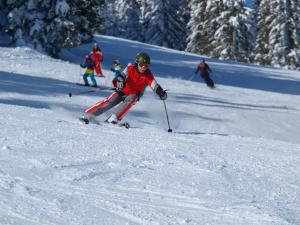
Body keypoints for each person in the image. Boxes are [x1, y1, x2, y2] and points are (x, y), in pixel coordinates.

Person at [79, 52, 167, 125]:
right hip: (123, 90)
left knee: (131, 100)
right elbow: (122, 76)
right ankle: (88, 114)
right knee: (109, 102)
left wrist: (161, 92)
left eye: (146, 65)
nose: (143, 67)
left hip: (134, 93)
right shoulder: (130, 68)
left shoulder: (148, 75)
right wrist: (120, 82)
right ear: (137, 63)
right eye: (142, 65)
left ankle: (114, 117)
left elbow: (154, 85)